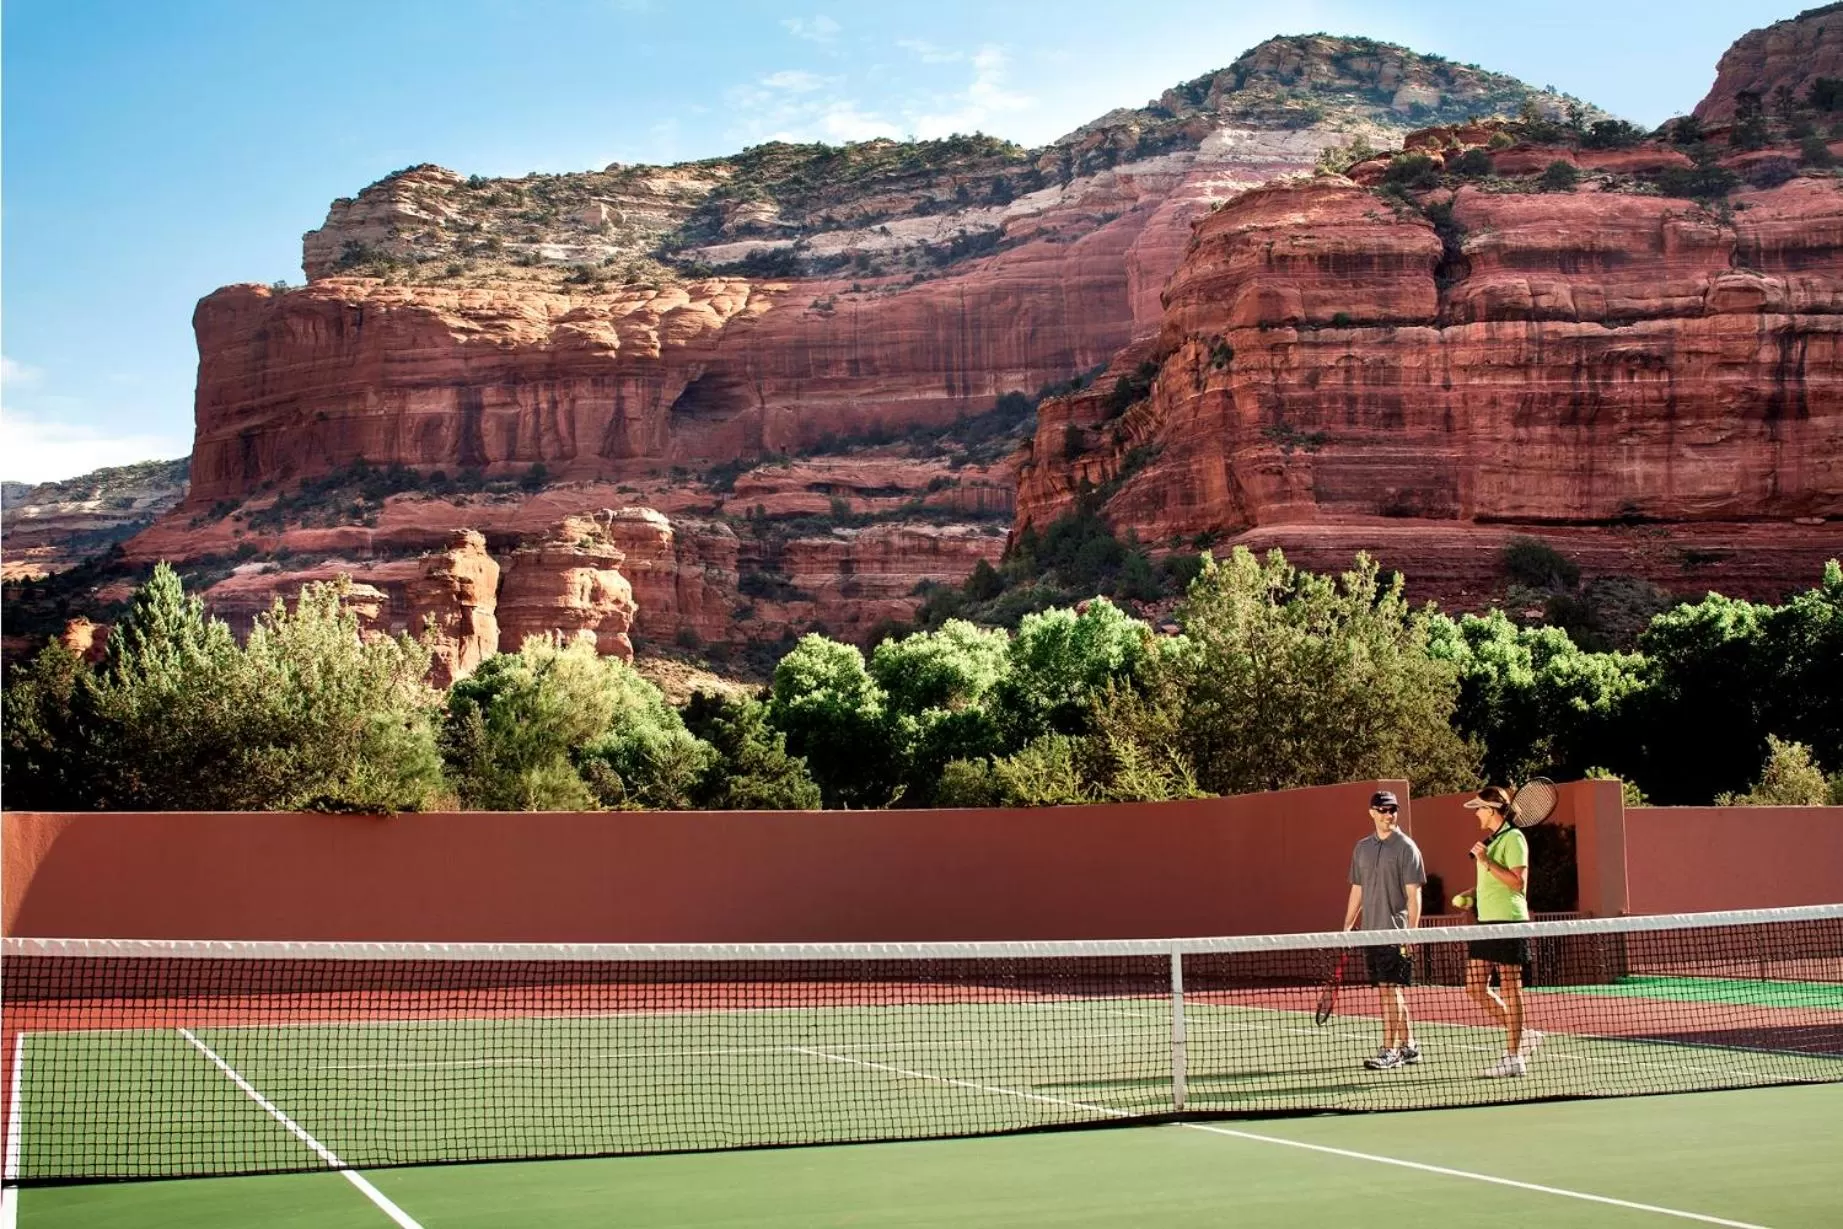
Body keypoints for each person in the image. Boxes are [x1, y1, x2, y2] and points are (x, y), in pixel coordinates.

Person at [1463, 785, 1545, 1078]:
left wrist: (1485, 861)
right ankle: (1524, 1035)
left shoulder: (1514, 838)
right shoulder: (1492, 840)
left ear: (1493, 809)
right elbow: (1494, 883)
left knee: (1510, 988)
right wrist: (1472, 894)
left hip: (1509, 922)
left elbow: (1516, 883)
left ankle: (1513, 1057)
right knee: (1474, 986)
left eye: (1480, 808)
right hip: (1486, 923)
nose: (1476, 814)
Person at [1342, 789, 1425, 1070]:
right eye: (1383, 810)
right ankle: (1410, 1045)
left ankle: (1389, 1050)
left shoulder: (1407, 848)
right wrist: (1347, 925)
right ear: (1372, 813)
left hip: (1395, 932)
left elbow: (1414, 896)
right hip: (1370, 933)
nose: (1389, 815)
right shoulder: (1362, 848)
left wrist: (1410, 934)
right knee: (1388, 991)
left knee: (1389, 991)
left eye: (1393, 810)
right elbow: (1358, 889)